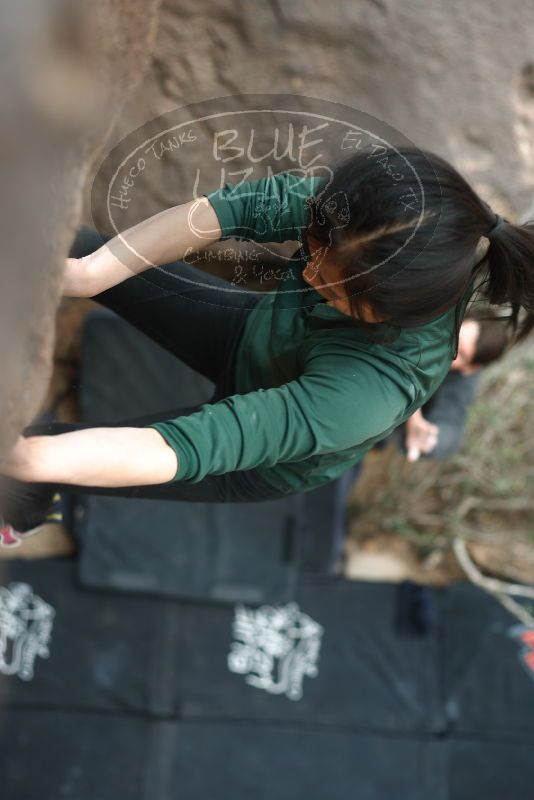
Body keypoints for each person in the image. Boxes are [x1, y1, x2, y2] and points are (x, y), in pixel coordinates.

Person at [1, 146, 533, 534]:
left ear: (384, 312)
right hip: (256, 333)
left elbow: (193, 445)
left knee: (34, 457)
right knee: (74, 251)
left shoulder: (368, 391)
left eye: (330, 281)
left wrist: (24, 459)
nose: (308, 272)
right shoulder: (361, 219)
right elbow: (227, 213)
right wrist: (90, 275)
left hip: (262, 459)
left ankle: (19, 511)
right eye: (312, 247)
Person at [396, 310, 509, 461]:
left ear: (471, 368)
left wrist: (431, 439)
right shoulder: (436, 314)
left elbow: (450, 426)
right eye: (453, 335)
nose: (447, 346)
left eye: (460, 352)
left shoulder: (460, 383)